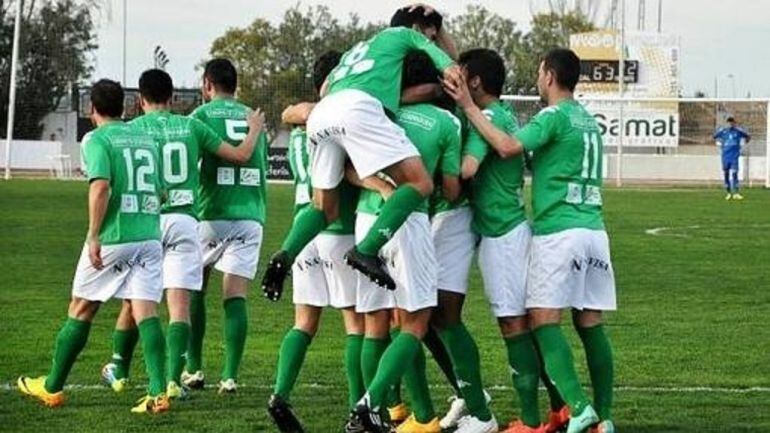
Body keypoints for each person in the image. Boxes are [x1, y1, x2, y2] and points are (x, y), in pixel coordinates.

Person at [443, 47, 616, 433]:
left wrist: (467, 110)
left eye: (539, 72)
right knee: (590, 324)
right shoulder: (588, 120)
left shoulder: (552, 115)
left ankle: (566, 410)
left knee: (536, 322)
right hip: (594, 229)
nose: (537, 80)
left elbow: (505, 146)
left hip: (558, 230)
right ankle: (602, 417)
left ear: (550, 76)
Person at [262, 4, 463, 297]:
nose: (431, 40)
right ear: (416, 29)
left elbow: (326, 89)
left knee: (323, 208)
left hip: (324, 113)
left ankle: (285, 255)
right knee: (419, 182)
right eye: (429, 34)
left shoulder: (358, 49)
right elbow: (450, 63)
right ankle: (366, 249)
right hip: (358, 109)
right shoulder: (402, 35)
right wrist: (448, 69)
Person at [100, 69, 265, 399]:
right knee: (180, 305)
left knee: (137, 300)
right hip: (186, 221)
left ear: (139, 100)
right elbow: (240, 155)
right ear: (173, 97)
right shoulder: (190, 125)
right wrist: (254, 131)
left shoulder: (131, 131)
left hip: (145, 221)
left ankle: (120, 365)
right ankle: (174, 381)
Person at [17, 79, 170, 414]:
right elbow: (162, 192)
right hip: (149, 235)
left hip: (117, 237)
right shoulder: (145, 138)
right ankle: (159, 391)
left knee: (81, 307)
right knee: (147, 312)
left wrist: (93, 234)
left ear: (92, 109)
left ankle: (53, 387)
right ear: (126, 107)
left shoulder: (98, 139)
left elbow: (100, 187)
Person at [338, 50, 461, 433]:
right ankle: (369, 405)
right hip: (408, 224)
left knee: (376, 323)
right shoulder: (445, 121)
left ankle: (412, 415)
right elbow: (454, 189)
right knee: (415, 323)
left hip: (365, 219)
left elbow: (349, 169)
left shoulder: (378, 114)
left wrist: (381, 186)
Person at [267, 51, 365, 433]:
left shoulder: (296, 133)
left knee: (304, 323)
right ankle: (359, 409)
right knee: (356, 324)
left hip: (301, 233)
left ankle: (280, 394)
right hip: (336, 230)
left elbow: (293, 113)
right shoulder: (336, 124)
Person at [181, 58, 269, 394]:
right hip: (250, 215)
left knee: (194, 289)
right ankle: (230, 376)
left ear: (207, 85)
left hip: (212, 213)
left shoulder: (201, 116)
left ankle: (194, 368)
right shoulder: (254, 118)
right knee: (235, 297)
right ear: (237, 85)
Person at [714, 116, 750, 200]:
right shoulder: (722, 131)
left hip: (734, 156)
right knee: (726, 174)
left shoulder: (738, 131)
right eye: (728, 122)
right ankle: (728, 193)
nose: (730, 123)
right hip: (725, 156)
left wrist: (744, 143)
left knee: (734, 173)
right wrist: (718, 143)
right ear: (726, 123)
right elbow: (714, 137)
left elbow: (748, 136)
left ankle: (736, 193)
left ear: (734, 123)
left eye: (731, 122)